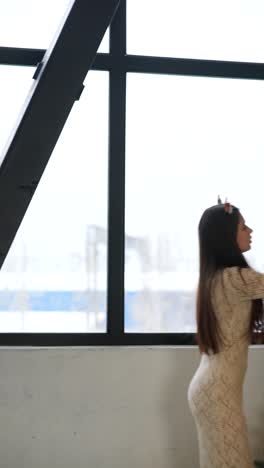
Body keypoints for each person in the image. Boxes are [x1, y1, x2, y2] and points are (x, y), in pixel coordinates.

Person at [187, 197, 264, 468]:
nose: (251, 231)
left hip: (210, 389)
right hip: (217, 393)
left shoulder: (215, 277)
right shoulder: (236, 278)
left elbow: (235, 328)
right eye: (244, 227)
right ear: (227, 236)